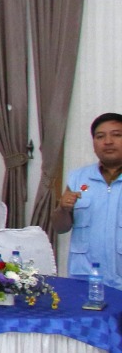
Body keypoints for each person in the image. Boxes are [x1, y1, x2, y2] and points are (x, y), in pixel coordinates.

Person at [56, 113, 122, 287]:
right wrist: (63, 209)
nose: (108, 142)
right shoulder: (79, 179)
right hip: (86, 279)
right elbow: (60, 228)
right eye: (100, 136)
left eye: (116, 135)